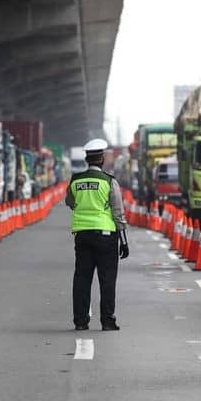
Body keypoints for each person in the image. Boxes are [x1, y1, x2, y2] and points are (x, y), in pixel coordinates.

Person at [65, 138, 129, 331]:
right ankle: (107, 321)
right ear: (101, 159)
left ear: (86, 159)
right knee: (107, 279)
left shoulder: (75, 180)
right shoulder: (109, 181)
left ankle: (80, 321)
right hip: (106, 236)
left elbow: (69, 201)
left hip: (82, 235)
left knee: (82, 278)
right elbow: (118, 212)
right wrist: (124, 241)